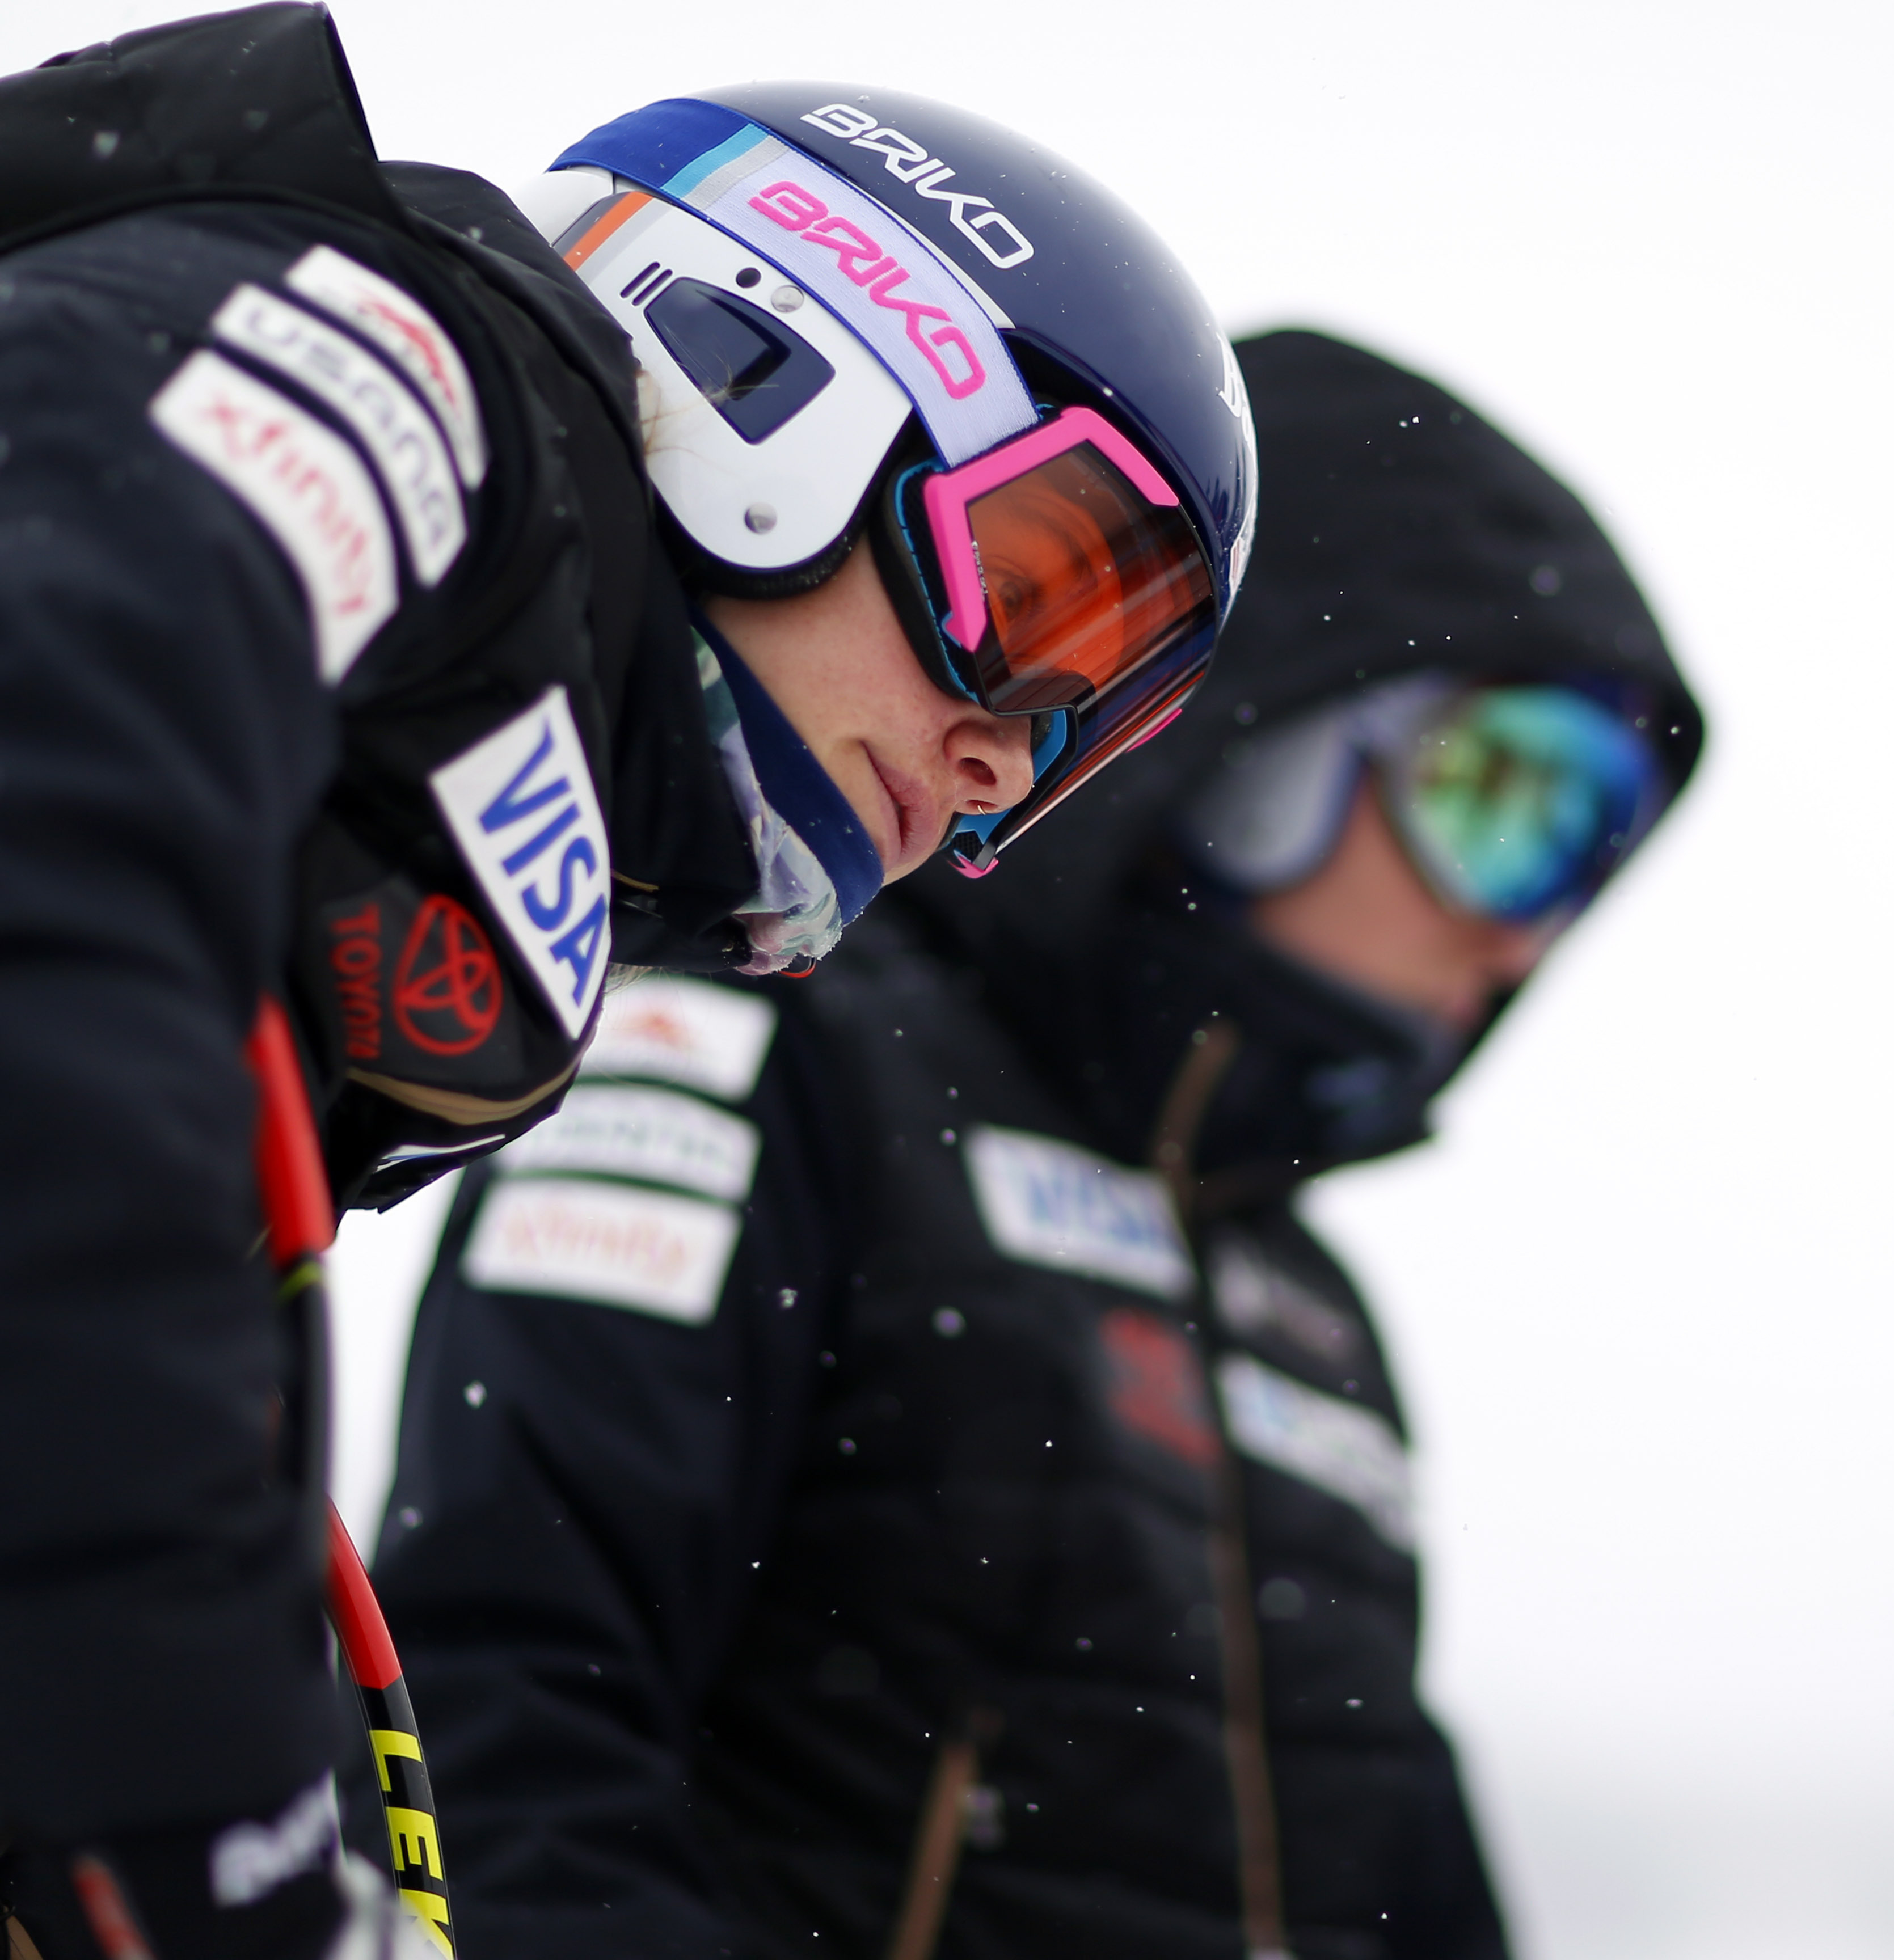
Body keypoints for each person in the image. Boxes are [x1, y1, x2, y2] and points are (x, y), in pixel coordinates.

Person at [0, 10, 1251, 1955]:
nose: (1013, 753)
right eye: (1042, 599)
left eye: (1089, 716)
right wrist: (197, 1836)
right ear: (768, 353)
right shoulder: (367, 367)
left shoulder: (468, 782)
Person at [366, 328, 1705, 1959]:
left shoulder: (1310, 1305)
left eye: (1592, 851)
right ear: (1273, 748)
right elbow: (509, 1731)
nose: (1528, 938)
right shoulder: (770, 1062)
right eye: (1511, 805)